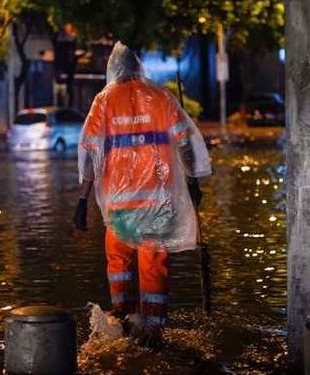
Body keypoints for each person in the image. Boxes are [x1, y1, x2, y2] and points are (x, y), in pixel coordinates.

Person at [73, 42, 211, 346]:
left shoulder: (104, 101)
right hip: (157, 206)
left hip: (119, 209)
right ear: (139, 67)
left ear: (112, 70)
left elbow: (88, 151)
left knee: (119, 264)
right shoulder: (161, 97)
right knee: (153, 267)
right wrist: (191, 181)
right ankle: (155, 331)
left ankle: (121, 320)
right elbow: (184, 145)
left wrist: (83, 198)